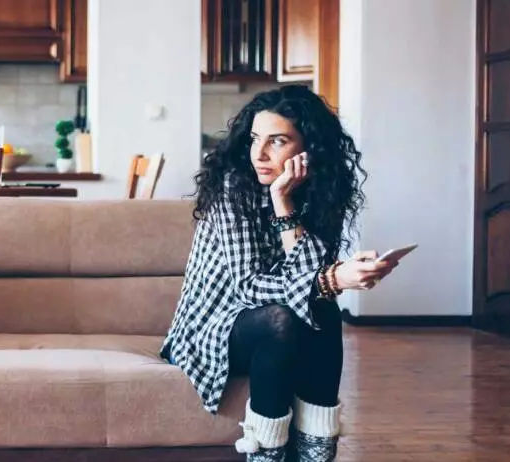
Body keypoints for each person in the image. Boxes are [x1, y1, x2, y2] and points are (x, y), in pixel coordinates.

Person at [161, 85, 398, 462]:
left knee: (322, 310)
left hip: (277, 314)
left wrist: (283, 202)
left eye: (277, 141)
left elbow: (310, 280)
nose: (259, 153)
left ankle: (315, 455)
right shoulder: (233, 189)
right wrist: (333, 278)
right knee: (281, 318)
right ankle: (266, 455)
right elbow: (248, 287)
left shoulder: (322, 192)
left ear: (310, 148)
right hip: (213, 327)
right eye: (255, 139)